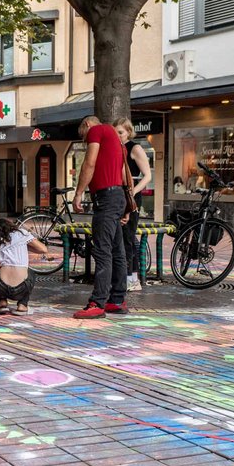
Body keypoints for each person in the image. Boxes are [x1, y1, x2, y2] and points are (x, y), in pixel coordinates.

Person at [74, 116, 130, 319]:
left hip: (105, 198)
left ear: (87, 124)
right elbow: (124, 174)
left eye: (83, 136)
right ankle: (117, 300)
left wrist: (79, 192)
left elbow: (89, 164)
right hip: (117, 196)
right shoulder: (117, 139)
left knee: (103, 251)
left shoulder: (97, 131)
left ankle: (97, 302)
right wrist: (126, 203)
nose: (85, 140)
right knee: (117, 251)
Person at [115, 118, 153, 292]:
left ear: (129, 132)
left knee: (128, 237)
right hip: (119, 195)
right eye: (115, 132)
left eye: (121, 132)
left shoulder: (134, 148)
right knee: (121, 238)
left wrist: (133, 192)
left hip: (130, 196)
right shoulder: (116, 148)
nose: (118, 136)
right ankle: (124, 276)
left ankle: (132, 278)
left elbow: (147, 176)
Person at [0, 218, 53, 315]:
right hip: (21, 289)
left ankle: (2, 302)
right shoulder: (22, 233)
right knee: (31, 273)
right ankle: (22, 305)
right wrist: (26, 243)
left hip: (2, 288)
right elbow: (43, 249)